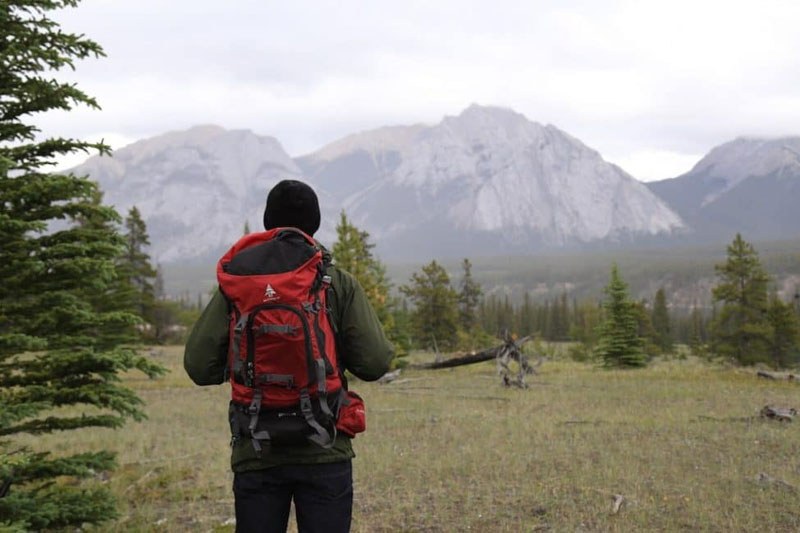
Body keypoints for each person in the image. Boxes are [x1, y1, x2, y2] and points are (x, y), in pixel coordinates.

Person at [184, 179, 394, 533]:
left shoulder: (240, 286)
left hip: (257, 447)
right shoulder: (335, 282)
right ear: (314, 224)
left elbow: (198, 367)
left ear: (268, 222)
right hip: (325, 445)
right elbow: (375, 363)